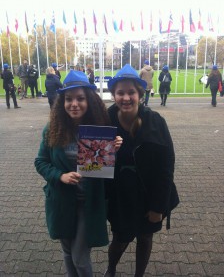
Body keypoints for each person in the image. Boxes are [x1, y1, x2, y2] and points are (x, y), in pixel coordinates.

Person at [34, 70, 122, 276]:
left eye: (80, 98)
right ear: (62, 102)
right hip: (61, 201)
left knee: (80, 259)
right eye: (69, 99)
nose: (74, 104)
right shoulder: (53, 129)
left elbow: (104, 169)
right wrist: (60, 176)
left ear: (89, 101)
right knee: (67, 252)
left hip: (87, 203)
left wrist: (113, 151)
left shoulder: (99, 129)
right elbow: (40, 162)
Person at [104, 64, 179, 277]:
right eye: (120, 93)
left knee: (145, 238)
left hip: (149, 194)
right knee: (120, 239)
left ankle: (139, 274)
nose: (126, 98)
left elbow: (166, 167)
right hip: (121, 195)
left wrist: (158, 207)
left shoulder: (155, 122)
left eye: (131, 93)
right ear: (113, 95)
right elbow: (95, 161)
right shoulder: (105, 120)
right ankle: (111, 270)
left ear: (140, 94)